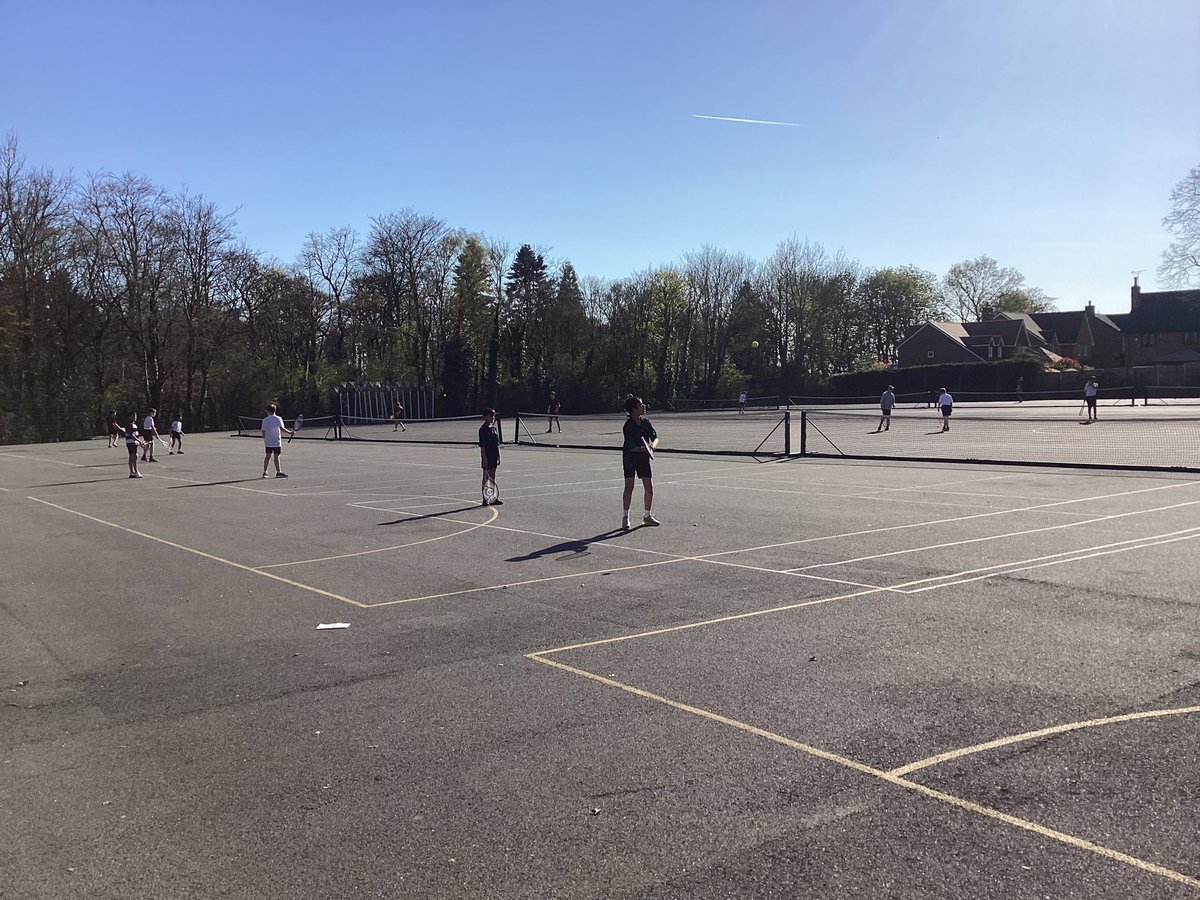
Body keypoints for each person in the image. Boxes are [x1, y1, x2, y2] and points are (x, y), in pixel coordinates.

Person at [621, 395, 659, 529]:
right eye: (641, 405)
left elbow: (655, 437)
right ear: (634, 409)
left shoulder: (646, 422)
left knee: (649, 486)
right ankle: (625, 517)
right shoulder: (628, 426)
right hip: (630, 458)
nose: (644, 406)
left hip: (643, 457)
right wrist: (645, 448)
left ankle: (647, 516)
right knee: (629, 487)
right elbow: (632, 447)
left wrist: (652, 446)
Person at [261, 403, 294, 478]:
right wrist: (290, 432)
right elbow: (282, 428)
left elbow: (263, 431)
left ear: (268, 411)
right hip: (276, 441)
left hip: (269, 442)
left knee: (267, 456)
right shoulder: (278, 418)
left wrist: (265, 439)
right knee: (276, 457)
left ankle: (265, 472)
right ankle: (278, 472)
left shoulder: (265, 420)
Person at [478, 407, 503, 505]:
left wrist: (498, 455)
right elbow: (482, 446)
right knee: (486, 477)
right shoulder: (482, 429)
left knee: (492, 476)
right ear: (485, 417)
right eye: (491, 415)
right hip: (487, 455)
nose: (492, 417)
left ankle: (493, 497)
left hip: (493, 454)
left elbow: (496, 443)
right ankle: (485, 498)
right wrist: (484, 458)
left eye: (493, 415)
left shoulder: (494, 428)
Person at [119, 413, 143, 478]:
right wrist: (139, 440)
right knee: (134, 456)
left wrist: (138, 441)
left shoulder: (134, 424)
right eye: (133, 416)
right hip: (131, 442)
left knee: (133, 456)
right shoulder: (129, 425)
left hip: (134, 443)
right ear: (129, 417)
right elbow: (131, 434)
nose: (135, 417)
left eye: (135, 416)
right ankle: (135, 471)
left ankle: (132, 472)